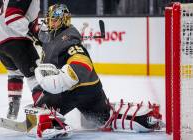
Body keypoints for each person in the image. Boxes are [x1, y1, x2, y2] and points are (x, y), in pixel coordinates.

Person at [26, 4, 164, 138]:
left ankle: (52, 125)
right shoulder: (55, 36)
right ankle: (146, 118)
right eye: (49, 19)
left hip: (73, 90)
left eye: (53, 20)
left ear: (62, 21)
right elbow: (43, 38)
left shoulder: (68, 41)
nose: (50, 23)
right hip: (92, 89)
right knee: (103, 118)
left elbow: (82, 64)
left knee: (40, 108)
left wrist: (60, 80)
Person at [0, 0, 43, 120]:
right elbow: (12, 17)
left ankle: (12, 113)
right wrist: (32, 33)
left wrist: (36, 29)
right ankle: (44, 110)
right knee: (36, 75)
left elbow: (19, 16)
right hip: (16, 40)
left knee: (15, 73)